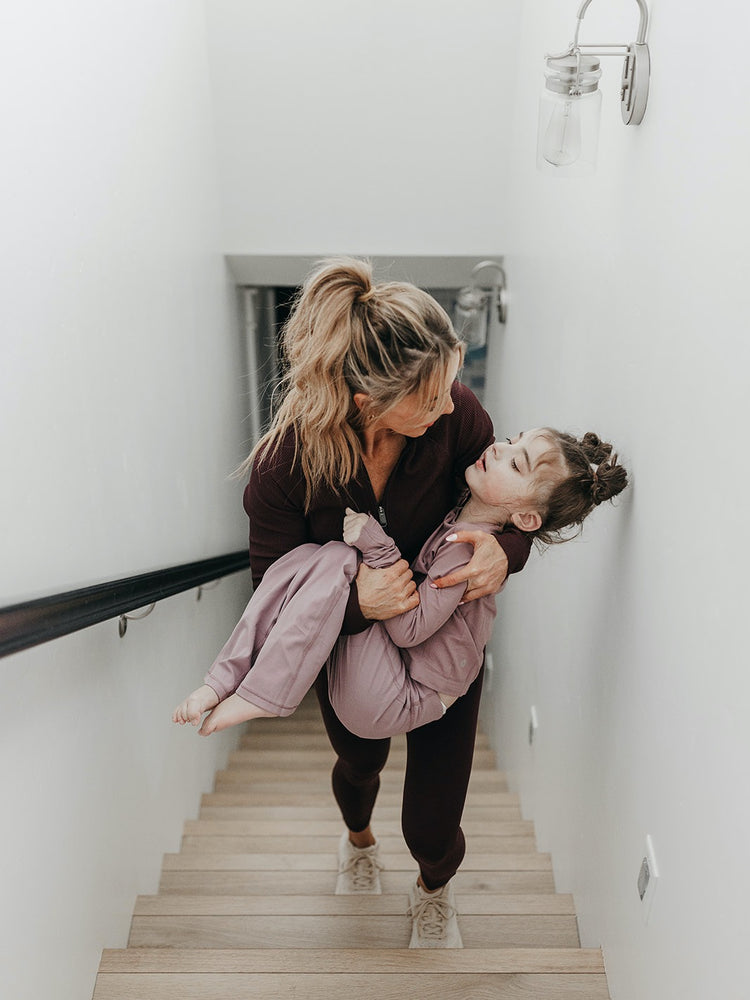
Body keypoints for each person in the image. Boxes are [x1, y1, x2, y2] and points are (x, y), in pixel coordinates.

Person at [173, 256, 563, 948]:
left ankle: (433, 889)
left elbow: (509, 514)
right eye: (436, 394)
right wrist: (361, 604)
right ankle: (357, 840)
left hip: (443, 653)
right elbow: (276, 586)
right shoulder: (284, 469)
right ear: (372, 403)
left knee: (434, 822)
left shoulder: (459, 419)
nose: (452, 403)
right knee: (359, 764)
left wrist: (511, 554)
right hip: (351, 652)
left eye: (452, 386)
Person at [174, 430, 628, 742]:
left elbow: (408, 630)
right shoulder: (463, 518)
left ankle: (258, 692)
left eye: (515, 461)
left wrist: (380, 549)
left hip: (398, 695)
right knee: (305, 560)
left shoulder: (470, 549)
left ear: (526, 518)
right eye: (512, 440)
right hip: (394, 677)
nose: (498, 447)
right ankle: (226, 682)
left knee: (338, 560)